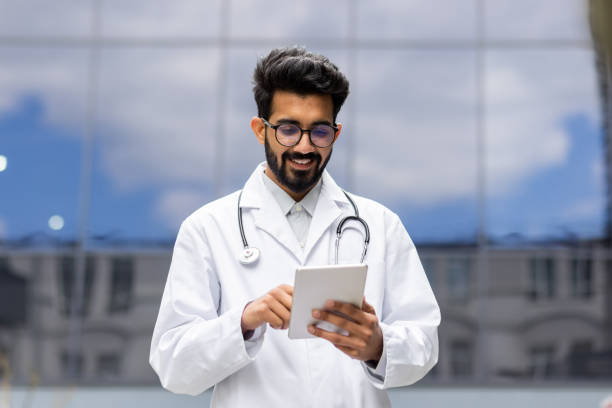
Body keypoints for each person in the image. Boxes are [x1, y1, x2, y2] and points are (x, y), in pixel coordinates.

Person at [149, 46, 440, 407]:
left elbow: (425, 344)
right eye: (288, 129)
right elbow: (173, 367)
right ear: (260, 129)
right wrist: (242, 321)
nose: (304, 146)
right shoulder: (207, 229)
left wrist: (378, 346)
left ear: (336, 133)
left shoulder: (381, 225)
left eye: (319, 131)